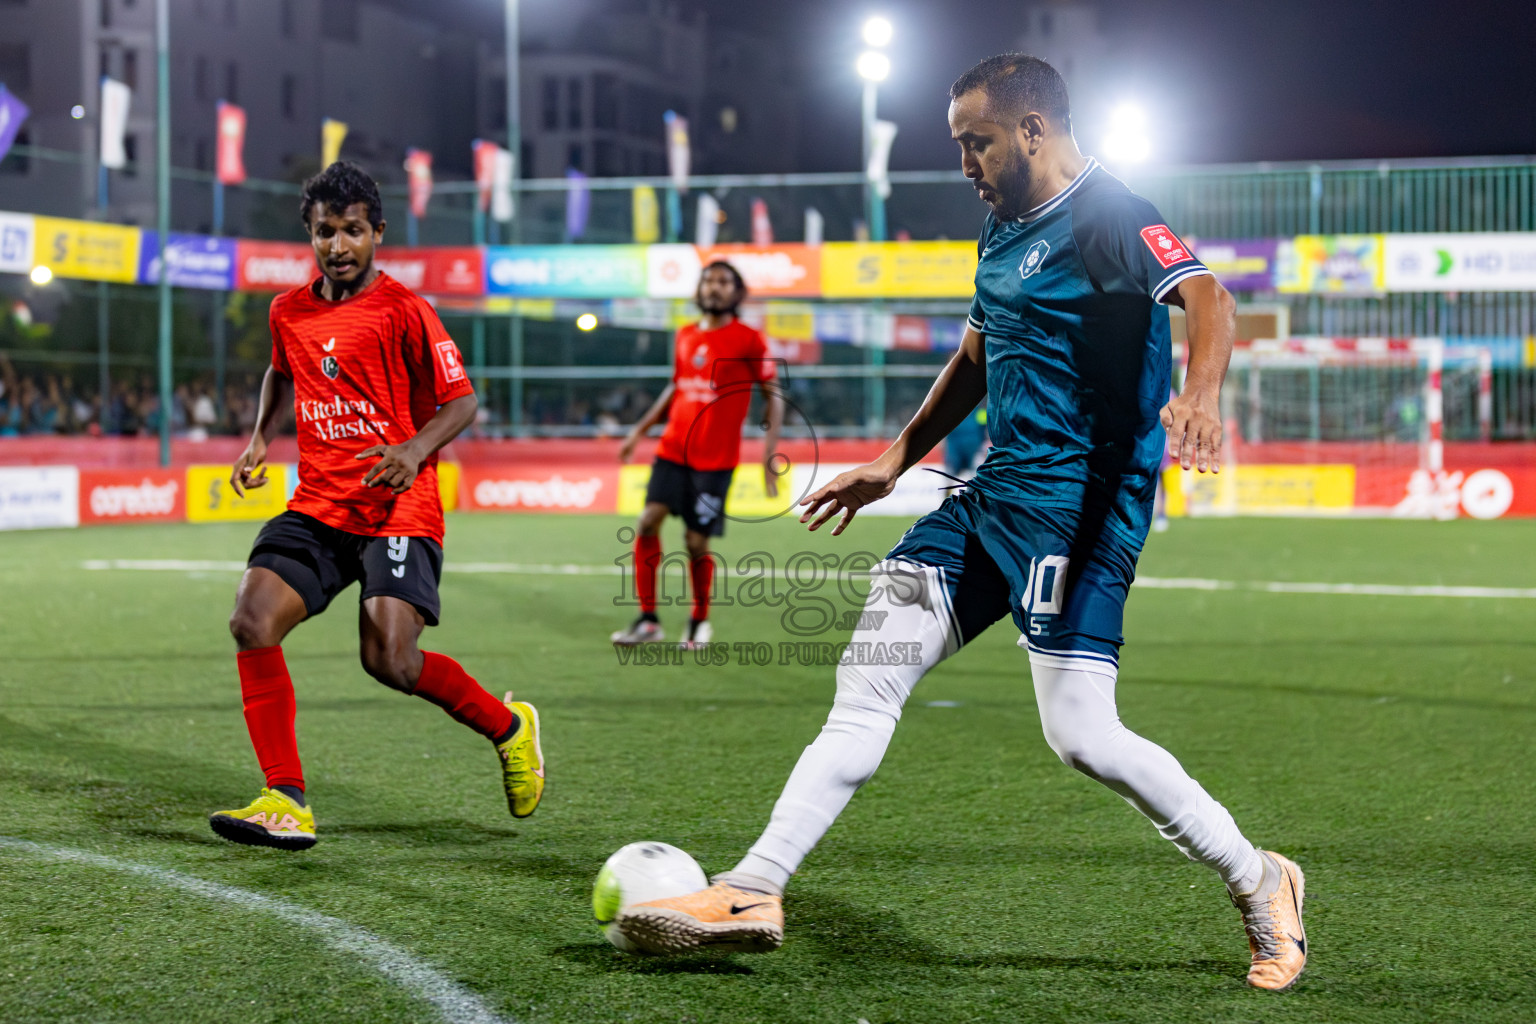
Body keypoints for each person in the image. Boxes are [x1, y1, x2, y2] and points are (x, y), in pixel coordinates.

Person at [615, 54, 1307, 992]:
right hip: (988, 500)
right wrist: (895, 458)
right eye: (958, 145)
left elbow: (1208, 297)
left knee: (1083, 738)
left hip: (1080, 514)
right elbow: (978, 354)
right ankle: (754, 885)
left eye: (975, 142)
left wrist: (1202, 395)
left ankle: (1260, 877)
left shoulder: (1108, 212)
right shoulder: (1001, 230)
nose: (966, 163)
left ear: (1031, 130)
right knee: (867, 676)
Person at [209, 162, 545, 851]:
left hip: (399, 504)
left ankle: (508, 727)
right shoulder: (288, 310)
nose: (338, 245)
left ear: (377, 233)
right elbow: (282, 370)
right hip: (320, 504)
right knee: (252, 618)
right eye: (325, 232)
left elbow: (463, 401)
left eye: (353, 230)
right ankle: (285, 798)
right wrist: (258, 439)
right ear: (309, 235)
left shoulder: (405, 310)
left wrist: (415, 450)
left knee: (390, 660)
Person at [610, 261, 784, 649]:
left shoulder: (749, 339)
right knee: (648, 520)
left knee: (695, 542)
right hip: (672, 450)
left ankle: (699, 621)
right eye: (708, 280)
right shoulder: (685, 334)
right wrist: (638, 431)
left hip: (715, 461)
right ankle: (648, 620)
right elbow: (676, 388)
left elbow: (774, 397)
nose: (714, 288)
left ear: (737, 293)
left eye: (723, 282)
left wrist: (769, 454)